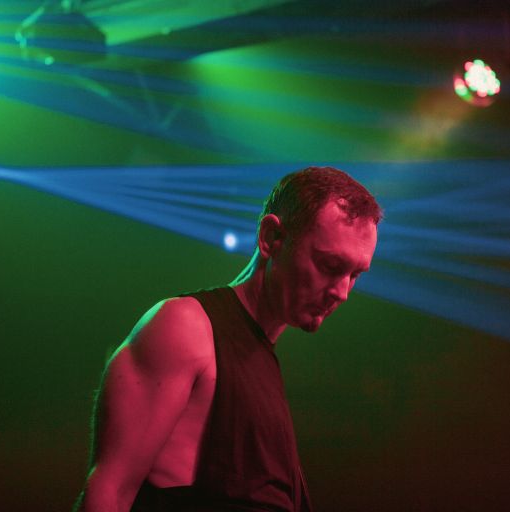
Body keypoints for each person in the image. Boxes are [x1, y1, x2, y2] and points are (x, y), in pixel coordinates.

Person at [73, 166, 382, 512]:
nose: (342, 292)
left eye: (355, 275)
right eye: (329, 265)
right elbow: (109, 492)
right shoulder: (185, 327)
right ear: (271, 238)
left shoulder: (261, 361)